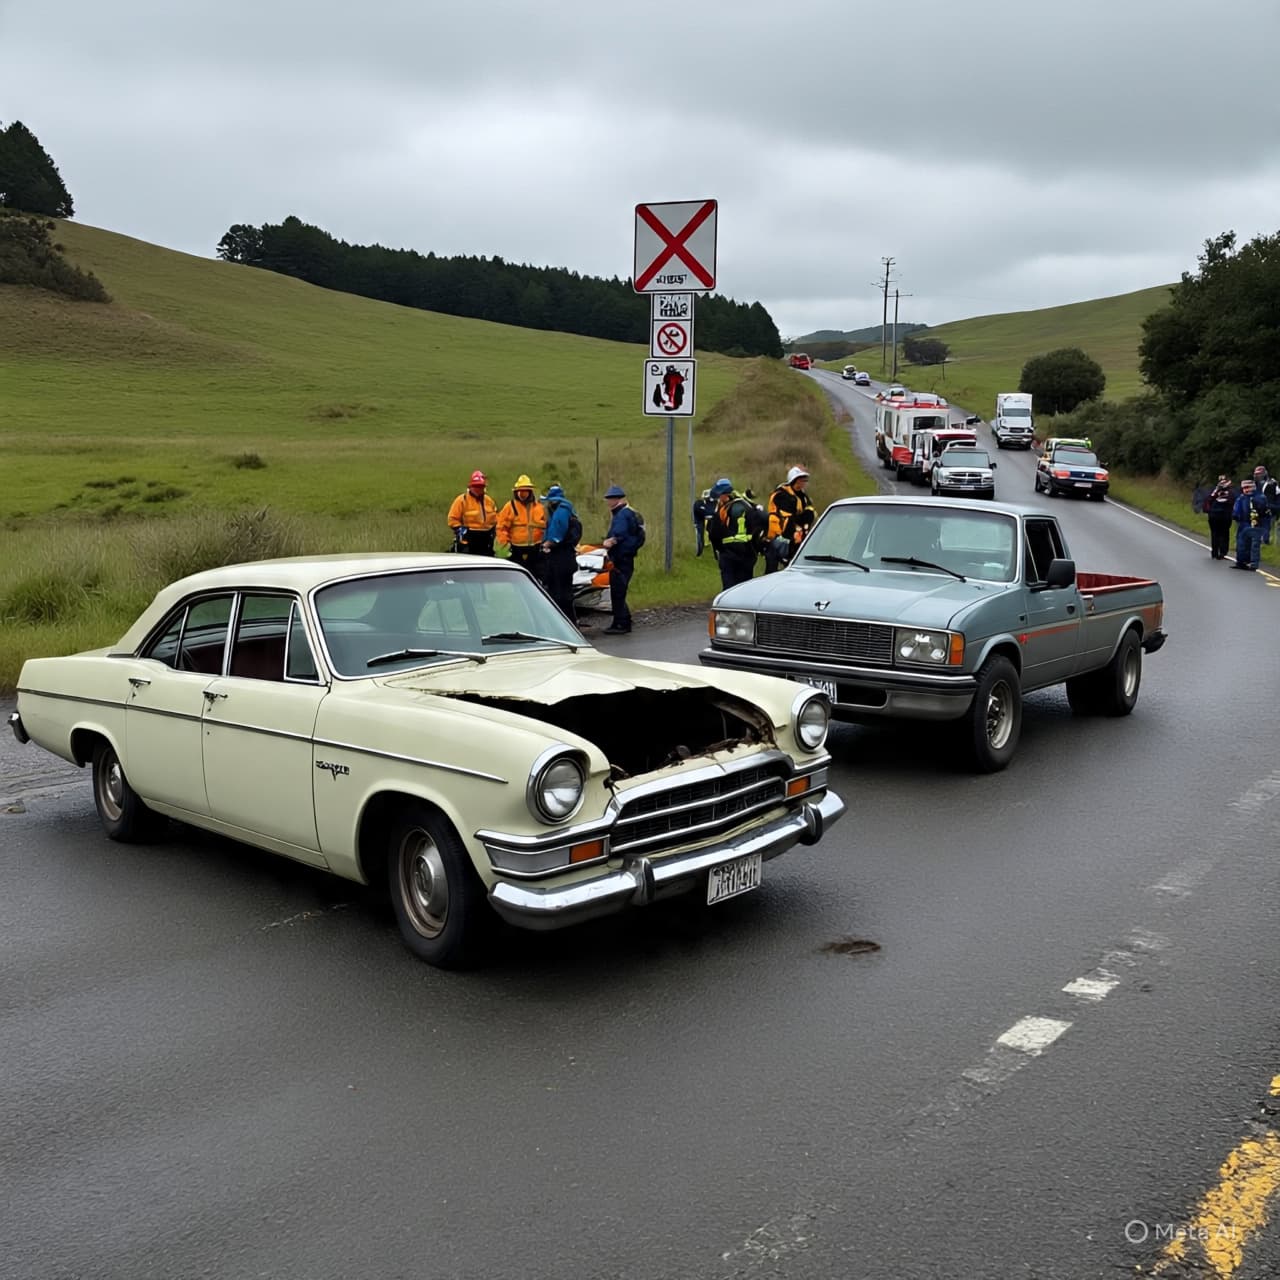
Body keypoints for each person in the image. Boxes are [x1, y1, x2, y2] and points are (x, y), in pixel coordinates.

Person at [600, 484, 643, 635]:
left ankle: (621, 624)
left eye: (610, 499)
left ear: (617, 499)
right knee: (620, 591)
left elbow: (619, 534)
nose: (608, 502)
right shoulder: (630, 513)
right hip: (627, 558)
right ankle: (623, 620)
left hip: (620, 559)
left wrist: (608, 542)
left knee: (618, 592)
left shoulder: (622, 515)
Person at [707, 477, 763, 590]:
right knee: (744, 589)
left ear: (724, 495)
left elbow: (714, 534)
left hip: (728, 555)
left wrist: (720, 550)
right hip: (747, 554)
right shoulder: (747, 505)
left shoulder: (722, 510)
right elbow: (758, 527)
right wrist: (755, 550)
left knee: (729, 589)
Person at [540, 484, 581, 623]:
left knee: (560, 593)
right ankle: (569, 622)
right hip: (566, 557)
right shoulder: (568, 509)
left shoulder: (561, 511)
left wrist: (547, 544)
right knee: (563, 591)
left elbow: (557, 532)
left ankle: (566, 623)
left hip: (561, 557)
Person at [765, 465, 816, 573]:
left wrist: (806, 515)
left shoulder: (802, 496)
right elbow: (794, 515)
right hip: (777, 537)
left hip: (794, 537)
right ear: (793, 481)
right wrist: (804, 516)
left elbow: (810, 513)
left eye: (804, 480)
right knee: (771, 570)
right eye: (800, 480)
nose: (803, 483)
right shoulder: (780, 495)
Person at [496, 474, 546, 576]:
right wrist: (505, 544)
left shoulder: (539, 507)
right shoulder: (510, 507)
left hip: (536, 548)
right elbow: (501, 527)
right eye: (520, 491)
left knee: (536, 575)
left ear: (530, 491)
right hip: (517, 549)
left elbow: (546, 526)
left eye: (525, 490)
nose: (522, 493)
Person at [447, 470, 498, 555]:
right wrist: (461, 531)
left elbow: (496, 518)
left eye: (480, 486)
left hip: (487, 539)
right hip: (469, 539)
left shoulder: (489, 501)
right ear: (470, 487)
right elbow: (452, 519)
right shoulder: (462, 500)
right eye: (476, 486)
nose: (478, 489)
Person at [1232, 478, 1268, 570]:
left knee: (1254, 545)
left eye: (1248, 487)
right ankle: (1240, 562)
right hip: (1243, 523)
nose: (1246, 490)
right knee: (1241, 544)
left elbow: (1265, 513)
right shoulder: (1241, 498)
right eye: (1244, 488)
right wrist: (1235, 515)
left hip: (1255, 524)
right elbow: (1236, 509)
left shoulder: (1260, 497)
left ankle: (1253, 564)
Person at [1205, 476, 1234, 561]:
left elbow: (1208, 500)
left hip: (1214, 516)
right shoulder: (1231, 493)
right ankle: (1222, 552)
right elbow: (1233, 502)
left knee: (1215, 534)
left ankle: (1214, 552)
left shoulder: (1214, 491)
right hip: (1225, 516)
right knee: (1224, 534)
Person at [1255, 465, 1280, 545]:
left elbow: (1277, 494)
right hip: (1258, 508)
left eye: (1260, 474)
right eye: (1257, 474)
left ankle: (1265, 540)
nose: (1258, 476)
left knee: (1267, 525)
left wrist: (1275, 507)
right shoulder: (1255, 484)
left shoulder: (1272, 483)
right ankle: (1259, 540)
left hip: (1269, 507)